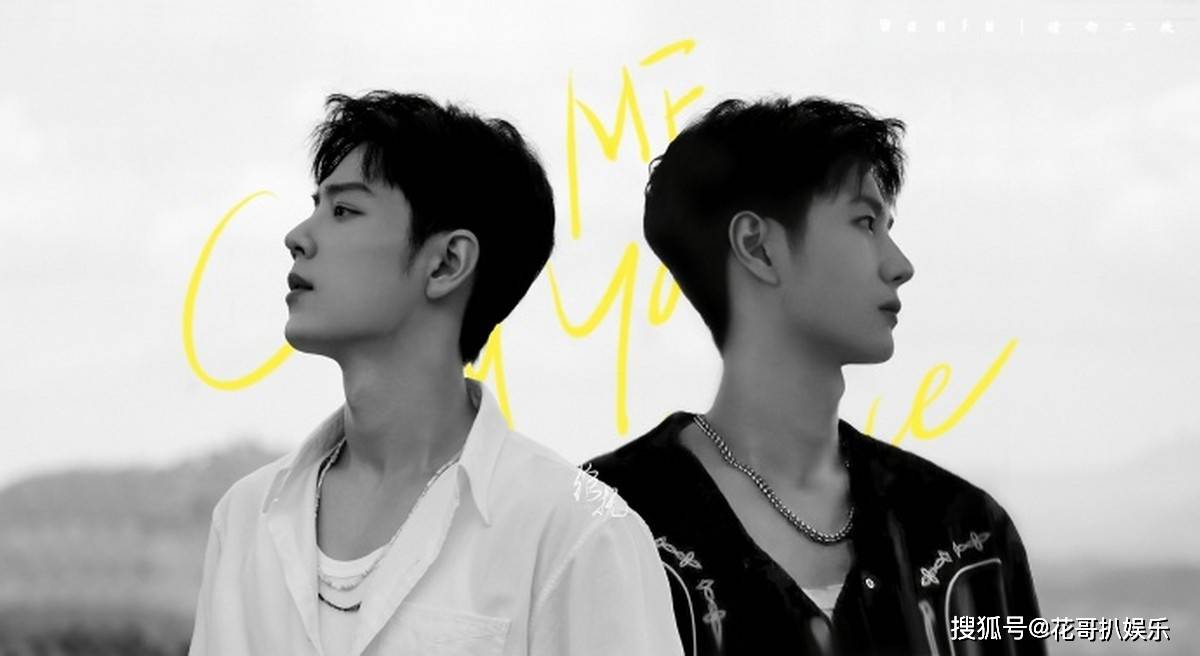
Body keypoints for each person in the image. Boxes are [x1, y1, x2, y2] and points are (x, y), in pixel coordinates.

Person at [190, 91, 683, 656]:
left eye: (344, 210)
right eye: (317, 205)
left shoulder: (576, 532)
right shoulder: (246, 518)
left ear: (447, 263)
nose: (297, 236)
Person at [584, 97, 1045, 655]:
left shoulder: (966, 536)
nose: (900, 264)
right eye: (865, 222)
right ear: (758, 247)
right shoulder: (598, 523)